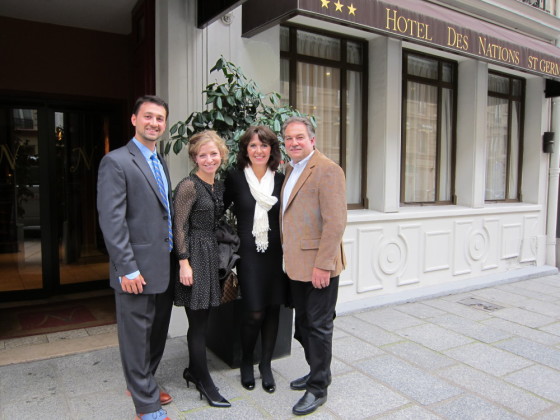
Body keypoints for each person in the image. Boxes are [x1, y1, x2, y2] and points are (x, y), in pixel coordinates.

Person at [97, 95, 174, 420]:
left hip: (163, 264)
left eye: (160, 118)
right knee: (135, 335)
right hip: (135, 269)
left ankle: (143, 382)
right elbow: (111, 220)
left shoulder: (161, 162)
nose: (154, 123)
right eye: (148, 117)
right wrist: (126, 268)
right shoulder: (116, 161)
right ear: (134, 120)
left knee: (156, 331)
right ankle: (146, 406)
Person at [280, 116, 347, 416]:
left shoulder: (328, 170)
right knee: (303, 326)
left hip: (320, 265)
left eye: (299, 137)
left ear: (312, 139)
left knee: (318, 327)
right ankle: (318, 371)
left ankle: (318, 387)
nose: (294, 143)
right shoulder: (290, 169)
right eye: (289, 139)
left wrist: (323, 265)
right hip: (295, 264)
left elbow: (335, 222)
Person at [223, 126, 287, 394]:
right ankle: (247, 361)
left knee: (273, 309)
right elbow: (217, 212)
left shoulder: (282, 179)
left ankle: (266, 366)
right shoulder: (235, 178)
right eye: (253, 146)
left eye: (264, 145)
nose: (258, 150)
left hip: (277, 254)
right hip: (249, 255)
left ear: (271, 149)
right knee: (254, 311)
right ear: (245, 150)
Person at [173, 130, 231, 408]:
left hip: (211, 254)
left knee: (204, 321)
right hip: (194, 256)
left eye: (213, 153)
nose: (209, 159)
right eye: (203, 155)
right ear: (194, 157)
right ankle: (204, 380)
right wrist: (183, 262)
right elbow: (179, 226)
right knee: (197, 323)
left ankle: (194, 370)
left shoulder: (217, 186)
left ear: (221, 155)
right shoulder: (189, 186)